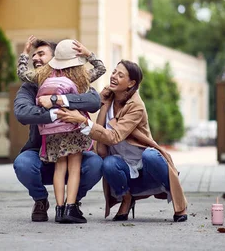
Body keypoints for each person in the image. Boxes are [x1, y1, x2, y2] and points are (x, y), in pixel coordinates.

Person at [57, 60, 189, 223]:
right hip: (124, 168)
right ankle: (126, 199)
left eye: (120, 75)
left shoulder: (136, 106)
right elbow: (93, 121)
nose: (114, 77)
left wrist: (84, 122)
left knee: (151, 156)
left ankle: (179, 203)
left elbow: (114, 136)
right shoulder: (108, 97)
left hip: (146, 169)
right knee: (108, 163)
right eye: (114, 72)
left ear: (131, 83)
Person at [13, 37, 103, 223]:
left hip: (52, 139)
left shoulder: (40, 78)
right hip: (54, 144)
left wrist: (24, 54)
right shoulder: (79, 79)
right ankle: (59, 204)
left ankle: (62, 208)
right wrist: (88, 54)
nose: (36, 58)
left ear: (54, 58)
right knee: (72, 166)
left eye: (41, 54)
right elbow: (22, 113)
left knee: (80, 165)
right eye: (33, 55)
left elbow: (94, 101)